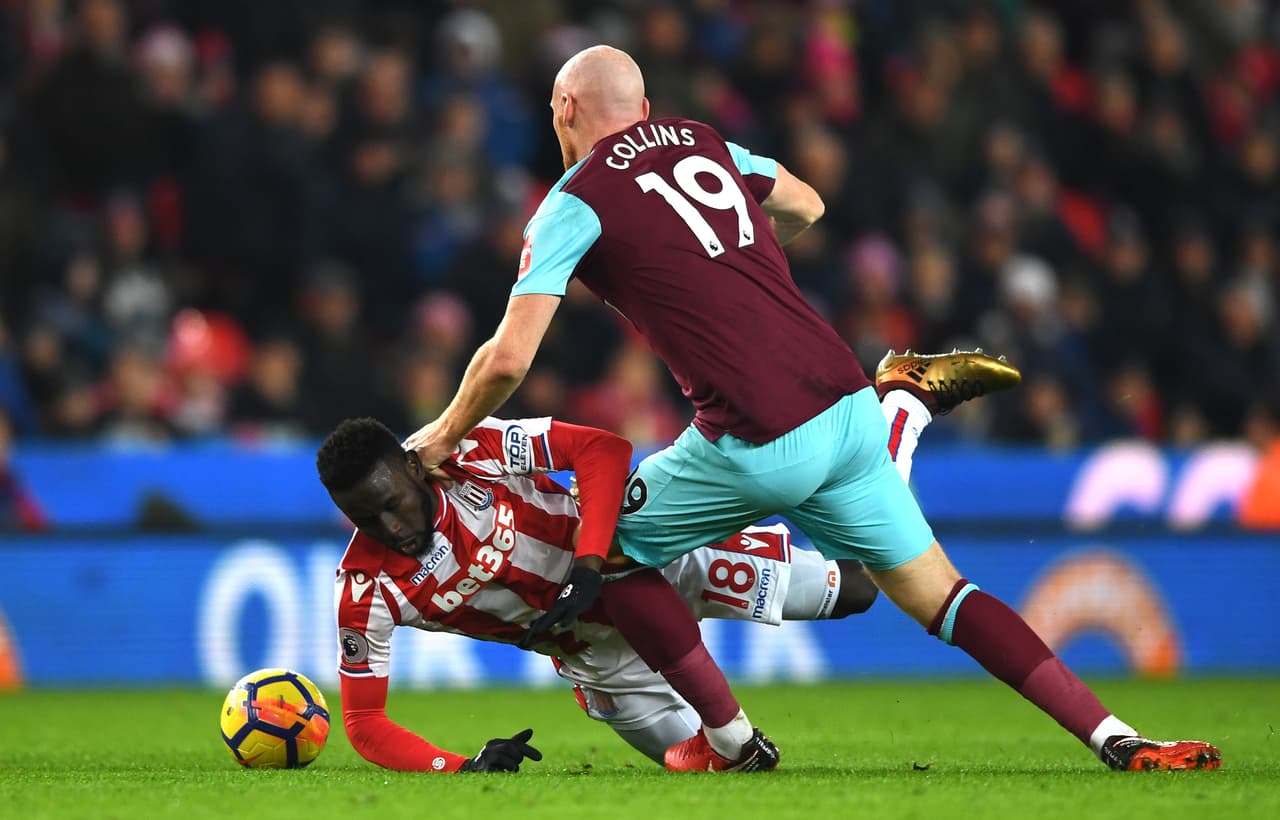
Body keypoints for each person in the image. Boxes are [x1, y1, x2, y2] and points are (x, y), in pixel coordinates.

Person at [404, 45, 1220, 773]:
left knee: (602, 547)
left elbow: (508, 358)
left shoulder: (572, 200)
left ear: (565, 109)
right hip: (845, 399)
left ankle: (729, 740)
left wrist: (441, 435)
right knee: (943, 596)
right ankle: (1117, 737)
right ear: (644, 108)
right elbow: (806, 205)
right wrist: (729, 267)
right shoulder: (703, 140)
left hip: (757, 435)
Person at [319, 414, 881, 772]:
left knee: (858, 591)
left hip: (652, 561)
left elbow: (601, 449)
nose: (390, 528)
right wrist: (459, 766)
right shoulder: (365, 589)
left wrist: (589, 562)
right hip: (605, 668)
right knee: (729, 771)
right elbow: (364, 724)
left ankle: (898, 412)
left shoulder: (467, 449)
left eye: (391, 504)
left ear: (413, 469)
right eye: (366, 519)